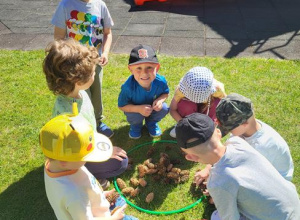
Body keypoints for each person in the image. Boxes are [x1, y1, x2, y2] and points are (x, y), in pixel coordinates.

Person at [175, 113, 300, 220]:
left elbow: (230, 218)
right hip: (293, 205)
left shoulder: (218, 183)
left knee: (216, 216)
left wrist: (220, 195)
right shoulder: (237, 142)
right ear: (218, 133)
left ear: (191, 157)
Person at [43, 39, 128, 189]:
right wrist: (106, 153)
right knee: (120, 163)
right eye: (93, 73)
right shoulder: (69, 115)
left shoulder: (79, 93)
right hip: (76, 157)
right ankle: (90, 178)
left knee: (118, 156)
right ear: (78, 80)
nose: (94, 76)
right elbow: (76, 150)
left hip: (86, 143)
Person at [40, 113, 138, 220]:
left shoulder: (55, 165)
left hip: (91, 205)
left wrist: (99, 195)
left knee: (120, 200)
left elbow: (85, 187)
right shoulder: (74, 194)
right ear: (64, 161)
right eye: (86, 156)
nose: (89, 159)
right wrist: (113, 218)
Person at [51, 0, 114, 137]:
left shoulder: (100, 5)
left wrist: (105, 53)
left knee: (96, 93)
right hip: (75, 66)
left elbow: (107, 33)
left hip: (95, 63)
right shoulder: (65, 6)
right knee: (81, 96)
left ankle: (97, 122)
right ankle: (82, 126)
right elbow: (59, 39)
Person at [215, 93, 294, 181]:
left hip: (274, 182)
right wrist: (210, 168)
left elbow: (251, 178)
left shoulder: (262, 147)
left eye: (229, 128)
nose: (229, 131)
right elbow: (230, 146)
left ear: (244, 124)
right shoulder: (246, 128)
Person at [118, 44, 169, 139]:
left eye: (149, 67)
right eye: (138, 68)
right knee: (134, 115)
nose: (144, 73)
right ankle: (136, 126)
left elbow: (165, 93)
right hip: (134, 110)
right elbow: (122, 106)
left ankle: (151, 123)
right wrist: (138, 109)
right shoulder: (128, 87)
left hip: (152, 108)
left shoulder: (160, 81)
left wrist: (160, 101)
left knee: (164, 108)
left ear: (157, 68)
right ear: (131, 69)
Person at [169, 66, 226, 138]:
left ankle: (207, 127)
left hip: (207, 108)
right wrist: (182, 123)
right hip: (189, 113)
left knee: (217, 103)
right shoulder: (181, 90)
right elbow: (172, 109)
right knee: (185, 105)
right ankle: (185, 126)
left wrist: (213, 126)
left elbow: (225, 105)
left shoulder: (218, 90)